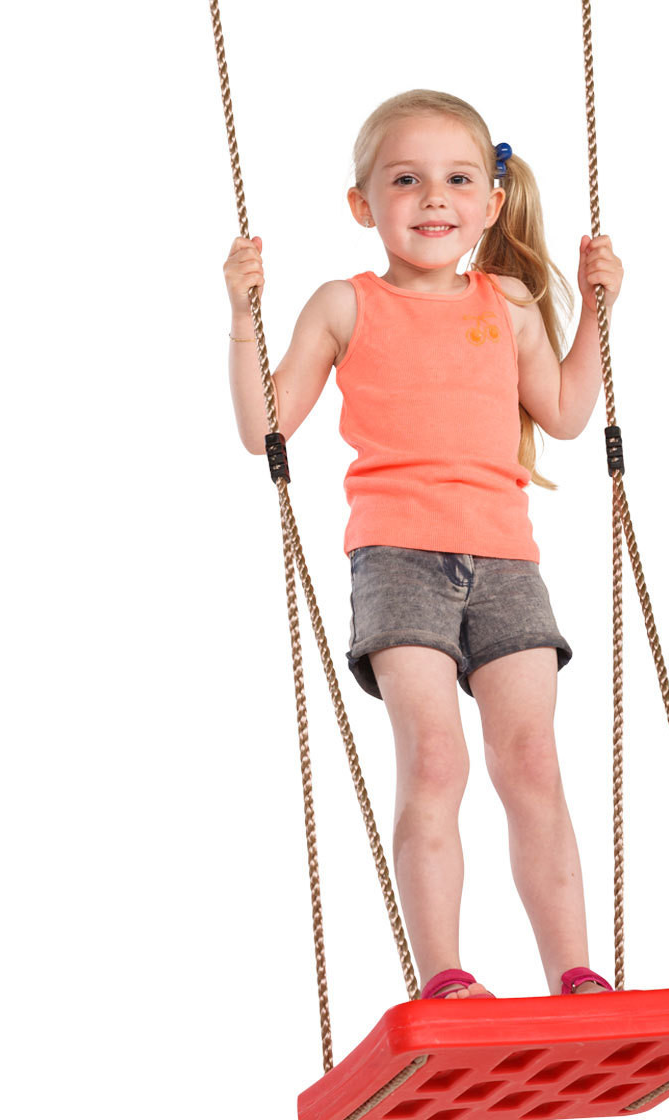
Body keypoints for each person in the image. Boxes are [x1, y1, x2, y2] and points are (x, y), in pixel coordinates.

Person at [224, 90, 624, 1001]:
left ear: (491, 200)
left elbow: (566, 413)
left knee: (532, 763)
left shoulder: (508, 303)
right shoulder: (344, 305)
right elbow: (265, 429)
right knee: (436, 759)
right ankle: (446, 977)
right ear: (362, 204)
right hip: (398, 559)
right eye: (405, 180)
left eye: (458, 180)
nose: (434, 197)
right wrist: (246, 316)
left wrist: (598, 308)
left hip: (507, 561)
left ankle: (576, 976)